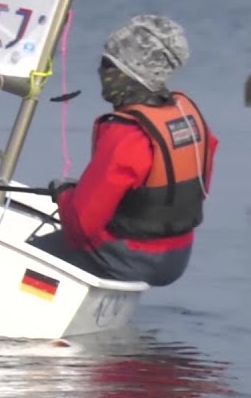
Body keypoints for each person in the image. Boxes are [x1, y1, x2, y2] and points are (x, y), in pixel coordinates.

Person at [29, 15, 217, 286]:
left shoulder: (127, 135)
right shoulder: (187, 118)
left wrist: (64, 195)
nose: (100, 72)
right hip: (177, 258)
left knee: (28, 258)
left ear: (131, 73)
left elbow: (81, 227)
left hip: (131, 257)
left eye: (108, 65)